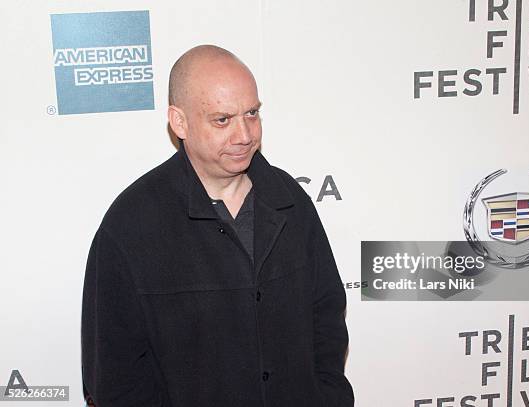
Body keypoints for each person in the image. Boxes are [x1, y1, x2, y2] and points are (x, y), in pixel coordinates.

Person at [81, 44, 354, 406]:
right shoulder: (131, 225)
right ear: (180, 122)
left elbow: (327, 319)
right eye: (223, 120)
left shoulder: (291, 202)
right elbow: (114, 375)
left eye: (252, 114)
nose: (244, 135)